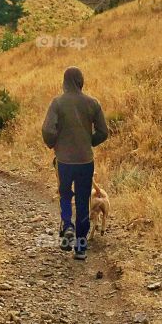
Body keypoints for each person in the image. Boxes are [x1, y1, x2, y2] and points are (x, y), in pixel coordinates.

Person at [41, 66, 109, 261]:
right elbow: (103, 132)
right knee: (82, 200)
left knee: (64, 194)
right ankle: (80, 247)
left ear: (64, 83)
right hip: (85, 161)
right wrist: (90, 142)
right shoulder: (92, 103)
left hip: (63, 160)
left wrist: (53, 143)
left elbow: (47, 130)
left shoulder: (57, 103)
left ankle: (67, 227)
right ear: (81, 82)